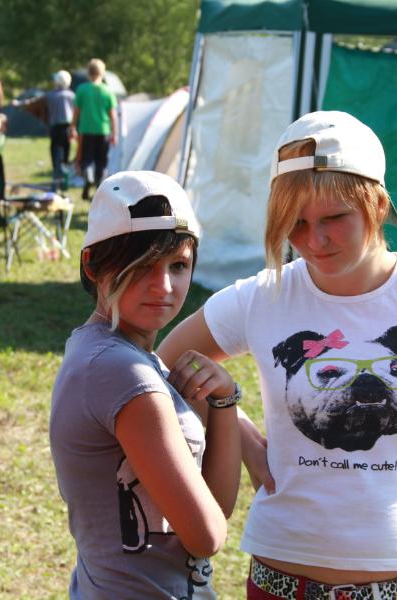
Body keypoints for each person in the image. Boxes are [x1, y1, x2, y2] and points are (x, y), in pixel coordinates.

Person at [157, 111, 397, 600]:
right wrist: (245, 443)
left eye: (333, 218)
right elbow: (170, 360)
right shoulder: (261, 297)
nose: (314, 240)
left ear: (378, 204)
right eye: (296, 223)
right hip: (283, 580)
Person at [49, 171, 242, 598]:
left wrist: (225, 401)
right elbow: (206, 536)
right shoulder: (122, 371)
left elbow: (215, 506)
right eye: (142, 267)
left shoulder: (105, 352)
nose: (164, 286)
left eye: (178, 266)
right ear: (92, 265)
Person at [12, 69, 76, 190]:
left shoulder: (51, 95)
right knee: (65, 157)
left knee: (55, 154)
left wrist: (19, 103)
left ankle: (56, 181)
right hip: (68, 129)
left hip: (55, 129)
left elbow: (33, 102)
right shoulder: (72, 95)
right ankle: (64, 182)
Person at [72, 58, 117, 200]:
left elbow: (76, 111)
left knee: (86, 159)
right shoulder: (107, 91)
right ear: (102, 73)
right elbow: (113, 115)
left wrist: (72, 127)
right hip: (103, 130)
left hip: (86, 130)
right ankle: (98, 188)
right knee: (101, 161)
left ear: (88, 72)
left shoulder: (82, 89)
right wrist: (114, 133)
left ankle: (88, 176)